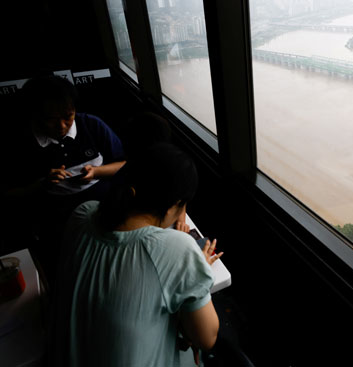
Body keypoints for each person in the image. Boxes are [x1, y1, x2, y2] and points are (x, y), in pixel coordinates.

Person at [50, 142, 222, 367]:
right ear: (174, 206)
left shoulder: (82, 214)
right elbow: (207, 338)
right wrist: (199, 268)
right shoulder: (178, 250)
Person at [1, 75, 126, 282]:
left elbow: (123, 164)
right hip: (55, 217)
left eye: (68, 116)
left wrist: (96, 172)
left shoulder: (92, 125)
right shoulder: (20, 142)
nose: (62, 125)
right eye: (51, 119)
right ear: (34, 115)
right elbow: (8, 191)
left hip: (105, 205)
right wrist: (42, 184)